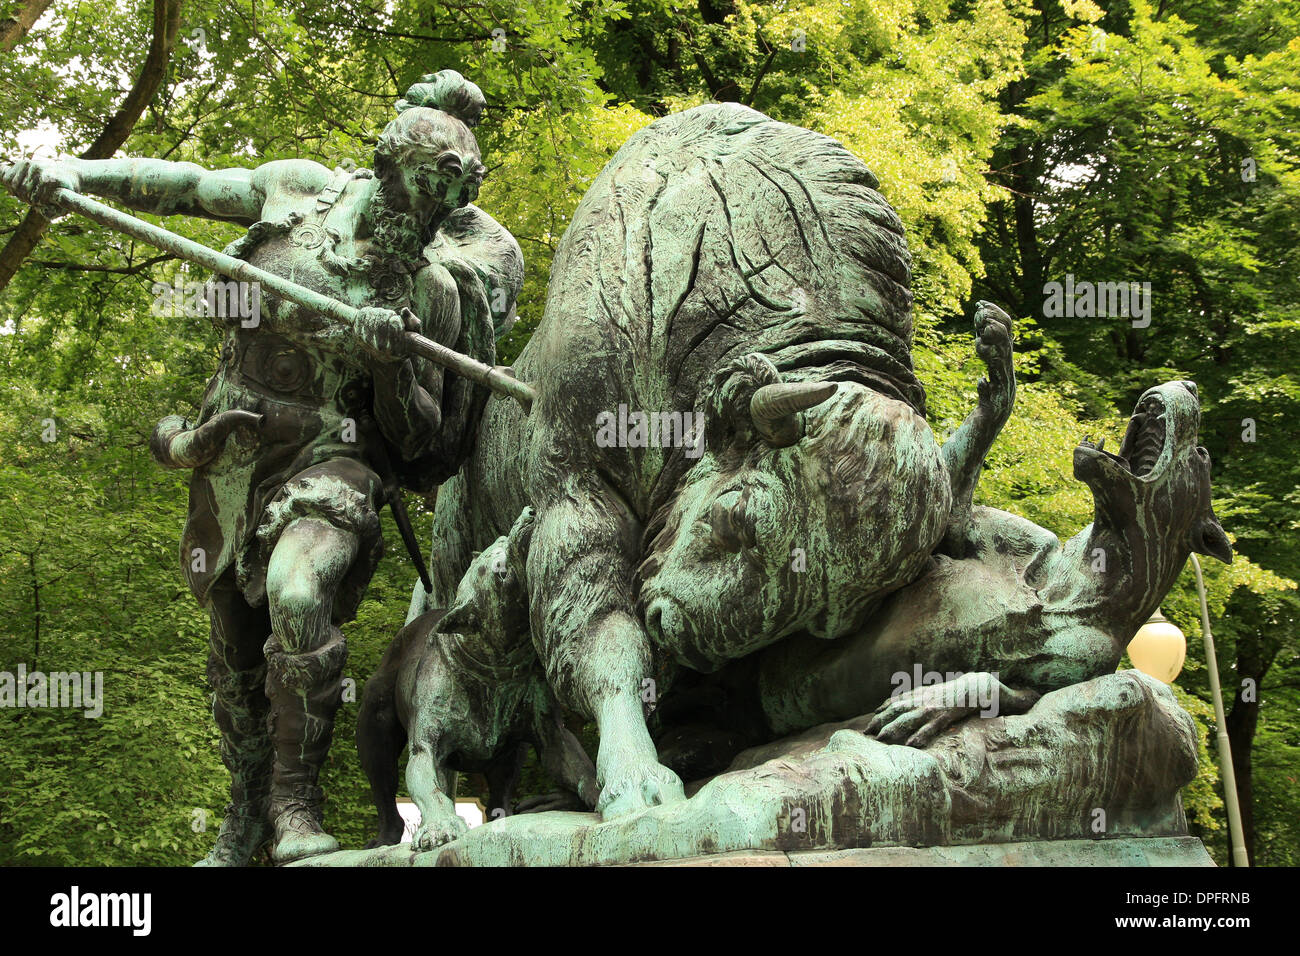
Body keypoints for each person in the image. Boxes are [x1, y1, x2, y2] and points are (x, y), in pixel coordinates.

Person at [2, 70, 522, 865]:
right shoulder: (295, 196)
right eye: (412, 195)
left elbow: (420, 441)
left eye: (436, 211)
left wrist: (388, 366)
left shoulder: (429, 285)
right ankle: (245, 808)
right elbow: (183, 185)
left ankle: (296, 802)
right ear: (386, 167)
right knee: (236, 653)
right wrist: (72, 172)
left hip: (333, 456)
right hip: (235, 451)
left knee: (296, 591)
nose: (414, 223)